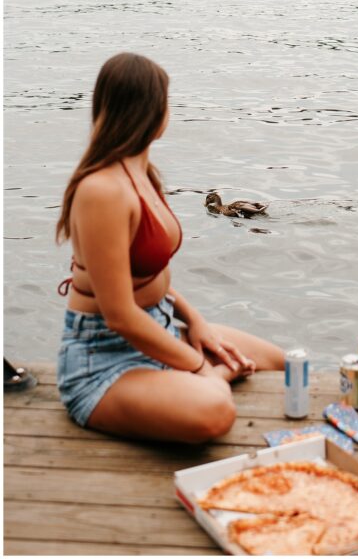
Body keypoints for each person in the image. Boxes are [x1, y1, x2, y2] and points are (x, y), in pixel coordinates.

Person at [56, 52, 284, 443]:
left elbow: (148, 274)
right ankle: (209, 380)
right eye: (167, 101)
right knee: (215, 410)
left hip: (160, 326)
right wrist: (198, 365)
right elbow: (120, 315)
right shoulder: (102, 191)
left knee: (278, 363)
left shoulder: (144, 173)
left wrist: (194, 321)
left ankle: (210, 378)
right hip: (104, 360)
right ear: (150, 110)